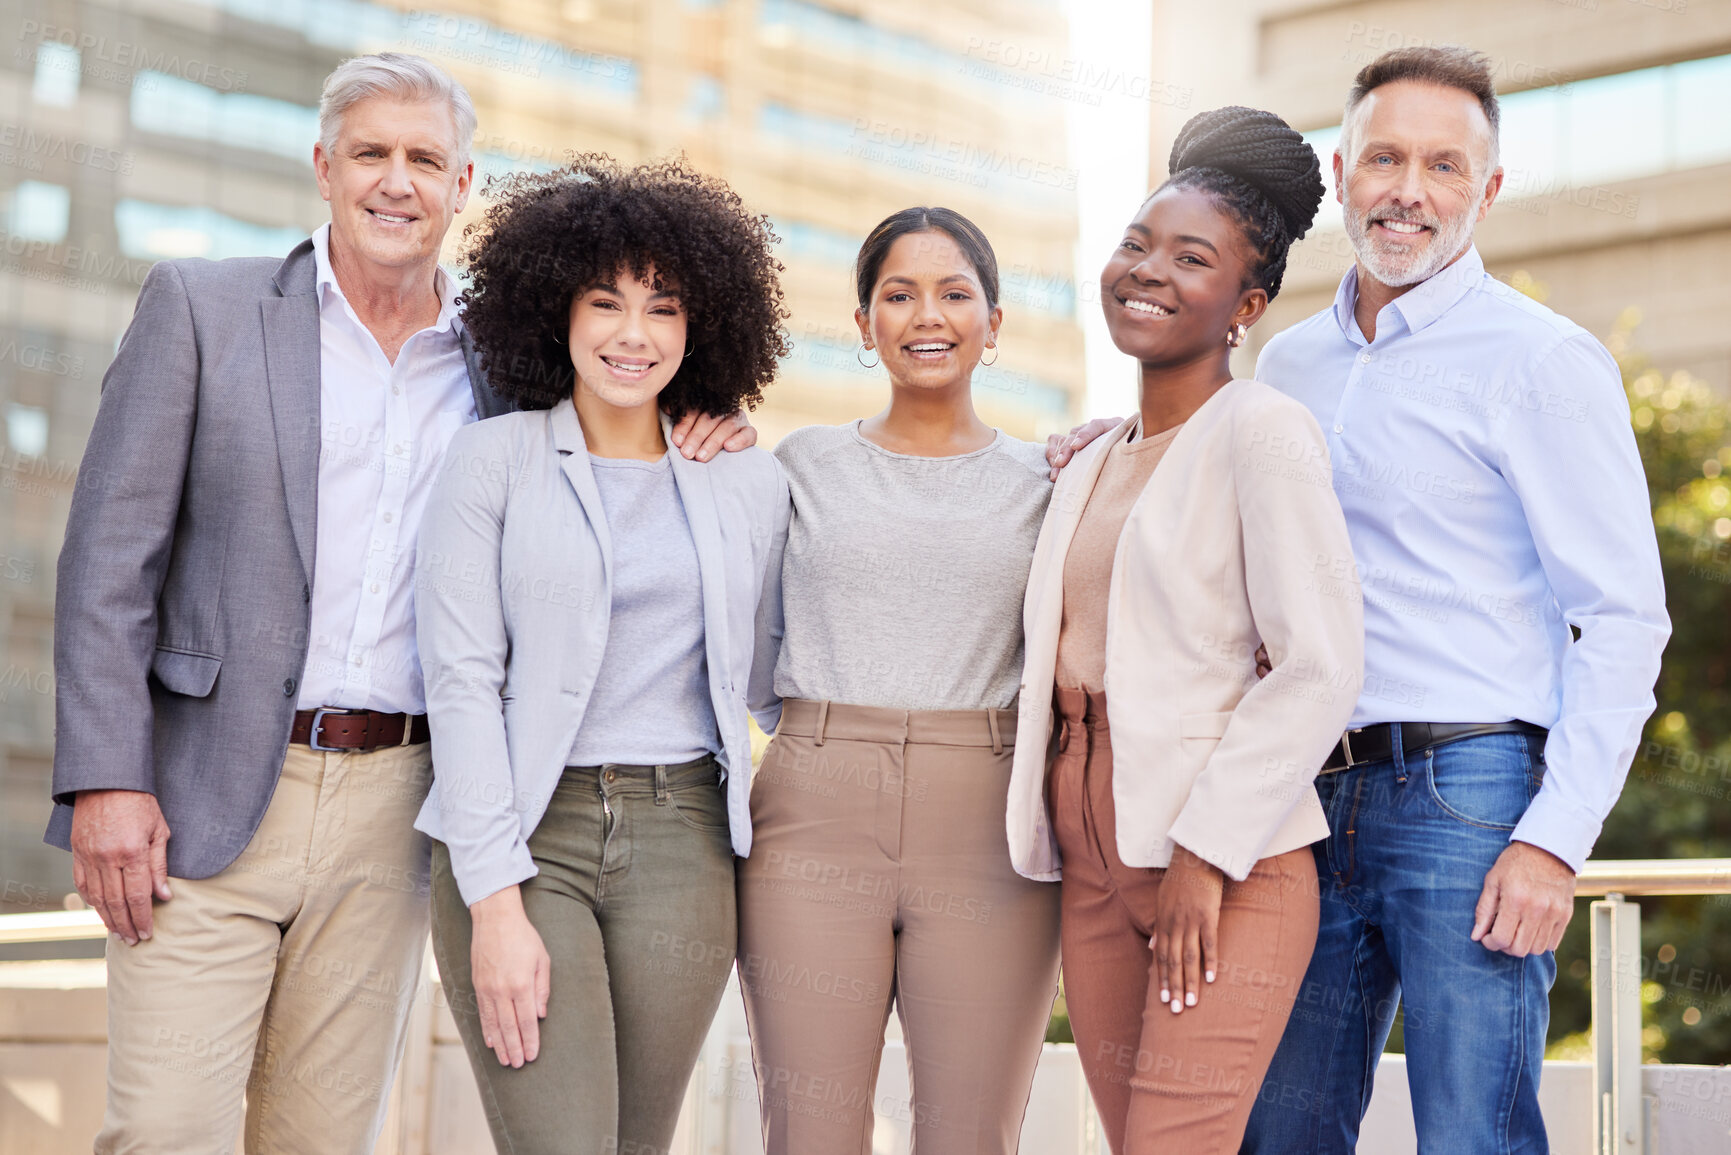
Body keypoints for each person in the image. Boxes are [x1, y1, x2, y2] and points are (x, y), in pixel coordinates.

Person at [47, 53, 752, 1153]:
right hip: (203, 795)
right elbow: (106, 566)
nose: (396, 180)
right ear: (324, 168)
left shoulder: (508, 368)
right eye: (371, 153)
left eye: (425, 158)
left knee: (324, 1140)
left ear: (464, 183)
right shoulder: (204, 309)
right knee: (165, 1134)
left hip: (397, 811)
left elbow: (626, 416)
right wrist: (107, 779)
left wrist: (712, 422)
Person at [1055, 46, 1671, 1155]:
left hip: (1469, 795)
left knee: (1470, 1135)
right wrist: (1103, 445)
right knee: (1277, 1132)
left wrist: (1556, 840)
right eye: (1385, 157)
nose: (1408, 190)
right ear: (1343, 172)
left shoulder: (1543, 362)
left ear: (1486, 192)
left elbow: (1624, 616)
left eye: (1445, 166)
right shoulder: (1285, 368)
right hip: (1290, 806)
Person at [413, 154, 789, 1155]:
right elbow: (460, 683)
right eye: (606, 302)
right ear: (556, 312)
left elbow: (778, 679)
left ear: (702, 324)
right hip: (527, 835)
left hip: (686, 843)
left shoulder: (744, 481)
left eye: (664, 307)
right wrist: (494, 905)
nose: (635, 334)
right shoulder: (492, 462)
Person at [1007, 108, 1363, 1154]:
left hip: (1221, 853)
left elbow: (1320, 664)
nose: (1148, 272)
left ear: (1247, 304)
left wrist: (1206, 857)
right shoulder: (1090, 457)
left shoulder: (1262, 430)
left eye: (1191, 259)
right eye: (1136, 246)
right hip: (1087, 838)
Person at [737, 207, 1061, 1153]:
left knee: (971, 1133)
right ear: (864, 321)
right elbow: (755, 643)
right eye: (899, 293)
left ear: (993, 324)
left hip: (989, 819)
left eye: (956, 293)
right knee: (808, 1131)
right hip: (814, 805)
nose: (929, 315)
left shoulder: (1048, 478)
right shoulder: (798, 466)